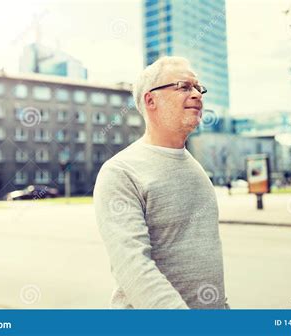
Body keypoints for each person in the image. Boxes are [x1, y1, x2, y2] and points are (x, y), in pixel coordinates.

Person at [93, 56, 229, 309]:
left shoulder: (195, 168)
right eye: (184, 87)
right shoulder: (120, 172)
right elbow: (133, 267)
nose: (197, 95)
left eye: (199, 88)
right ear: (151, 100)